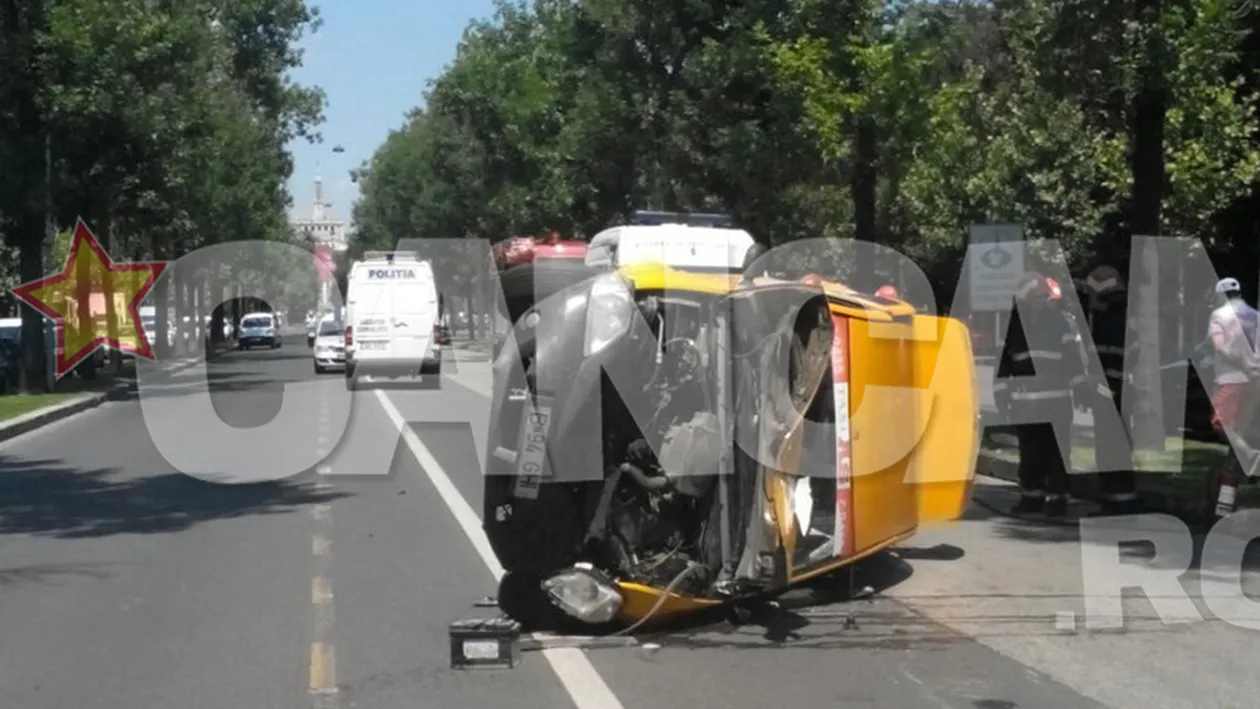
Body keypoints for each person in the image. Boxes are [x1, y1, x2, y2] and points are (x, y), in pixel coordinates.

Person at [994, 272, 1090, 517]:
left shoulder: (1060, 322)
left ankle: (1057, 500)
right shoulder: (1013, 326)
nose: (1041, 302)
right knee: (1030, 453)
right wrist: (1001, 395)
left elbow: (1072, 359)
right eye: (1036, 297)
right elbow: (1003, 365)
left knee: (1058, 453)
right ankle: (1032, 497)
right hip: (1026, 404)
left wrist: (1080, 388)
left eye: (1043, 297)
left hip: (1056, 403)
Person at [1083, 265, 1141, 515]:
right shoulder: (1121, 314)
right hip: (1116, 390)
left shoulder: (1113, 319)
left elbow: (1108, 356)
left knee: (1110, 447)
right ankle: (1116, 499)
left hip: (1111, 391)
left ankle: (1118, 502)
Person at [1206, 277, 1260, 518]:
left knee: (1222, 425)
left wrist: (1243, 363)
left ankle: (1250, 455)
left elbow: (1221, 347)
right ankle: (1224, 507)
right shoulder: (1256, 316)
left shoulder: (1220, 315)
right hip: (1254, 383)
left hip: (1231, 379)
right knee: (1233, 447)